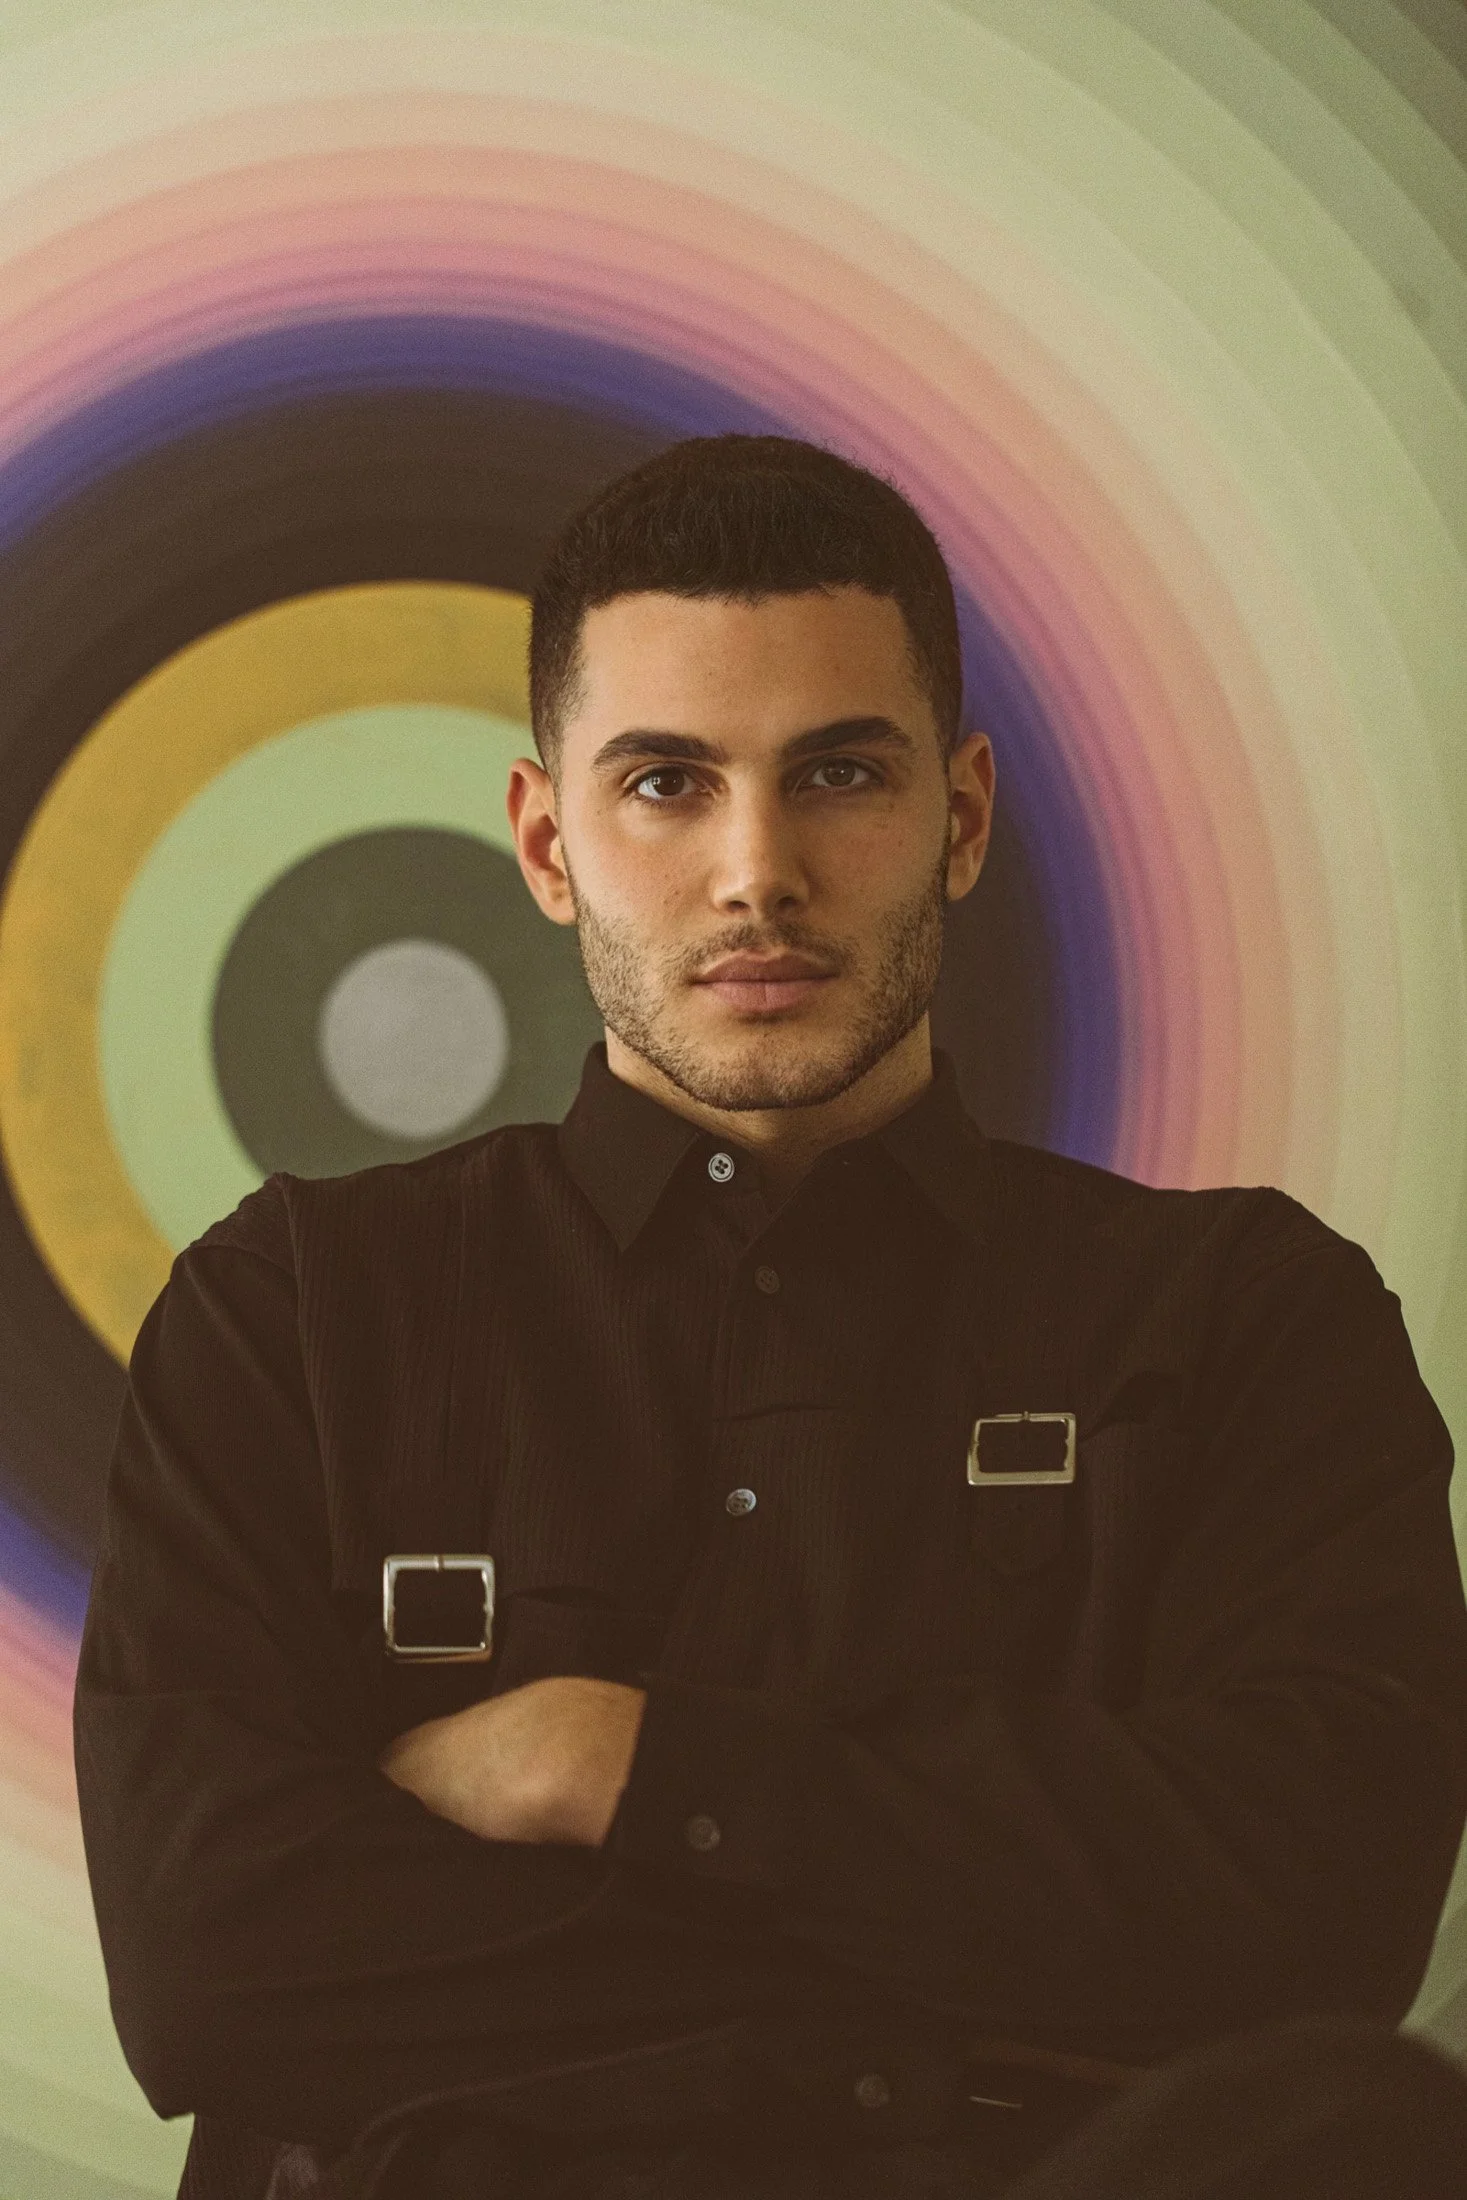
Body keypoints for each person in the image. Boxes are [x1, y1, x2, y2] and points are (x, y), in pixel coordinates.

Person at [74, 435, 1467, 2200]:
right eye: (666, 781)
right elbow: (213, 1967)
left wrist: (624, 1763)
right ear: (546, 841)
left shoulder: (1246, 1317)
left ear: (959, 818)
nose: (756, 871)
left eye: (839, 773)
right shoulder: (292, 1310)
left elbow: (1318, 1926)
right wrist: (924, 2024)